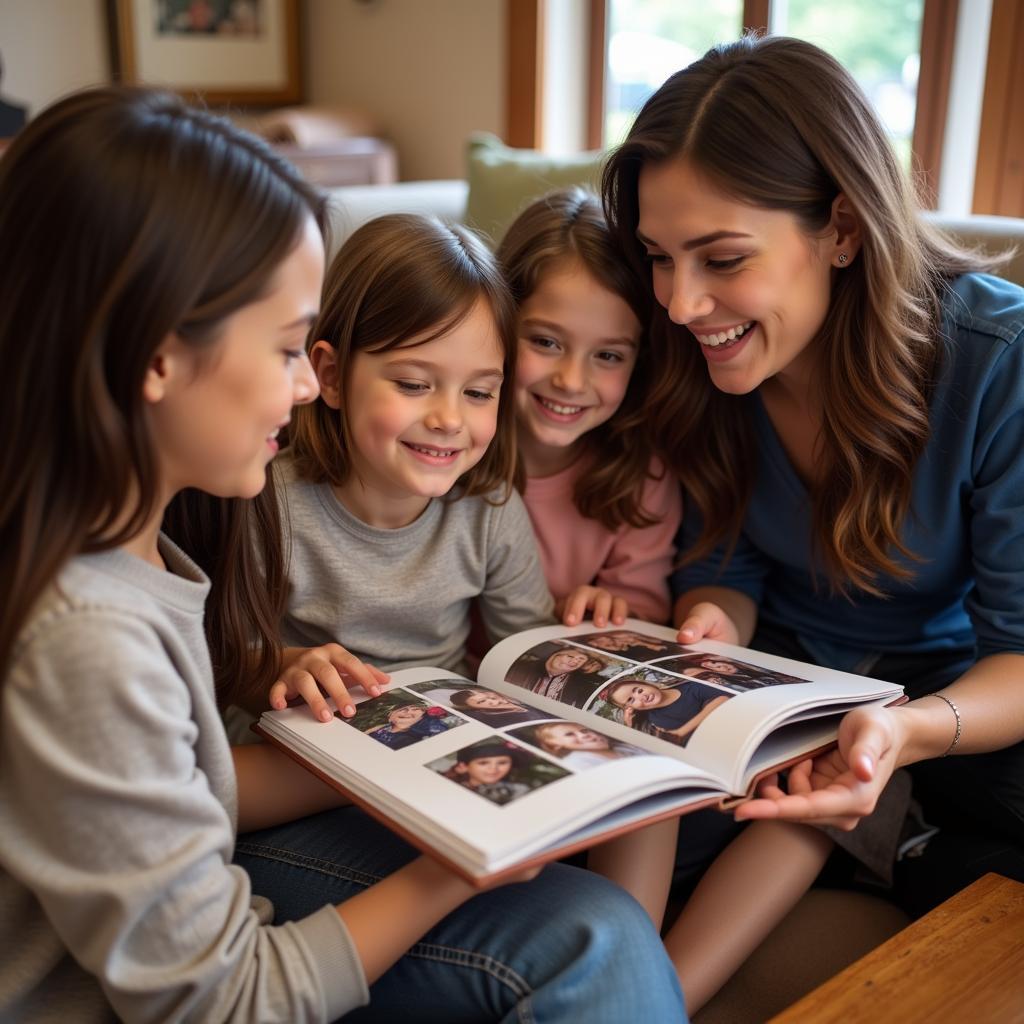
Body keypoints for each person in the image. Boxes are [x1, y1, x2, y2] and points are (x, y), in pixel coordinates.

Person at [0, 85, 687, 1022]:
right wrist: (466, 857)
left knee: (605, 923)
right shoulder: (91, 630)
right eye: (289, 348)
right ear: (157, 358)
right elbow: (222, 996)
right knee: (595, 939)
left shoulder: (158, 538)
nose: (302, 387)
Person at [604, 30, 1024, 946]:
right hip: (783, 674)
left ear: (840, 229)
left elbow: (1021, 656)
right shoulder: (695, 359)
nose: (677, 304)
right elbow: (725, 565)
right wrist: (712, 623)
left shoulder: (999, 364)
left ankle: (902, 838)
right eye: (658, 256)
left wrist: (905, 733)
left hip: (948, 690)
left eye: (721, 259)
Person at [254, 212, 559, 726]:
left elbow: (529, 659)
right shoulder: (268, 503)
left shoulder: (489, 508)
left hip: (442, 738)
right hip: (306, 742)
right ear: (330, 376)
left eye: (479, 392)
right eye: (414, 384)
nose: (448, 420)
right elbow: (220, 663)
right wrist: (283, 666)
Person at [497, 188, 682, 626]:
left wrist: (613, 609)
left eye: (608, 356)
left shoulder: (642, 475)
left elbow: (643, 610)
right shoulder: (447, 448)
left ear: (638, 361)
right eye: (546, 341)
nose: (571, 381)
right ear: (498, 324)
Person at [599, 679, 730, 745]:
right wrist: (630, 725)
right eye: (631, 700)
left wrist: (680, 732)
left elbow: (722, 699)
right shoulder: (653, 719)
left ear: (647, 684)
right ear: (630, 708)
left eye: (639, 690)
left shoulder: (691, 688)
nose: (641, 696)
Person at [524, 720, 648, 769]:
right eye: (569, 734)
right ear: (555, 745)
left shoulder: (625, 747)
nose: (584, 735)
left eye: (584, 730)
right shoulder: (576, 763)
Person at [441, 740, 532, 806]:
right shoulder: (447, 790)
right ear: (463, 767)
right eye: (483, 763)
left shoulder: (519, 791)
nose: (493, 769)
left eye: (502, 763)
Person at [361, 703, 452, 750]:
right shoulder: (381, 727)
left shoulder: (408, 741)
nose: (408, 712)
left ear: (421, 719)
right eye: (404, 709)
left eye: (415, 710)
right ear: (391, 716)